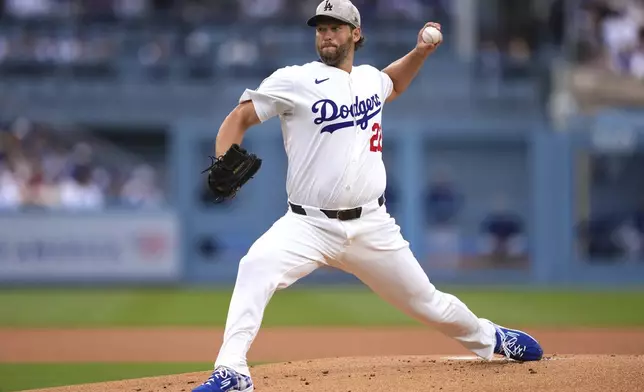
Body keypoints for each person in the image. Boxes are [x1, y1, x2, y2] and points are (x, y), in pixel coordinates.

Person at [193, 1, 543, 391]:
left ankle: (492, 338)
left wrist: (421, 52)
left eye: (336, 27)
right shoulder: (294, 79)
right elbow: (239, 116)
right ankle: (232, 371)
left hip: (371, 226)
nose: (326, 34)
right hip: (307, 224)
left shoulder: (369, 79)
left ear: (355, 34)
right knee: (254, 266)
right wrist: (225, 156)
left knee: (428, 302)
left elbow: (393, 83)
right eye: (321, 27)